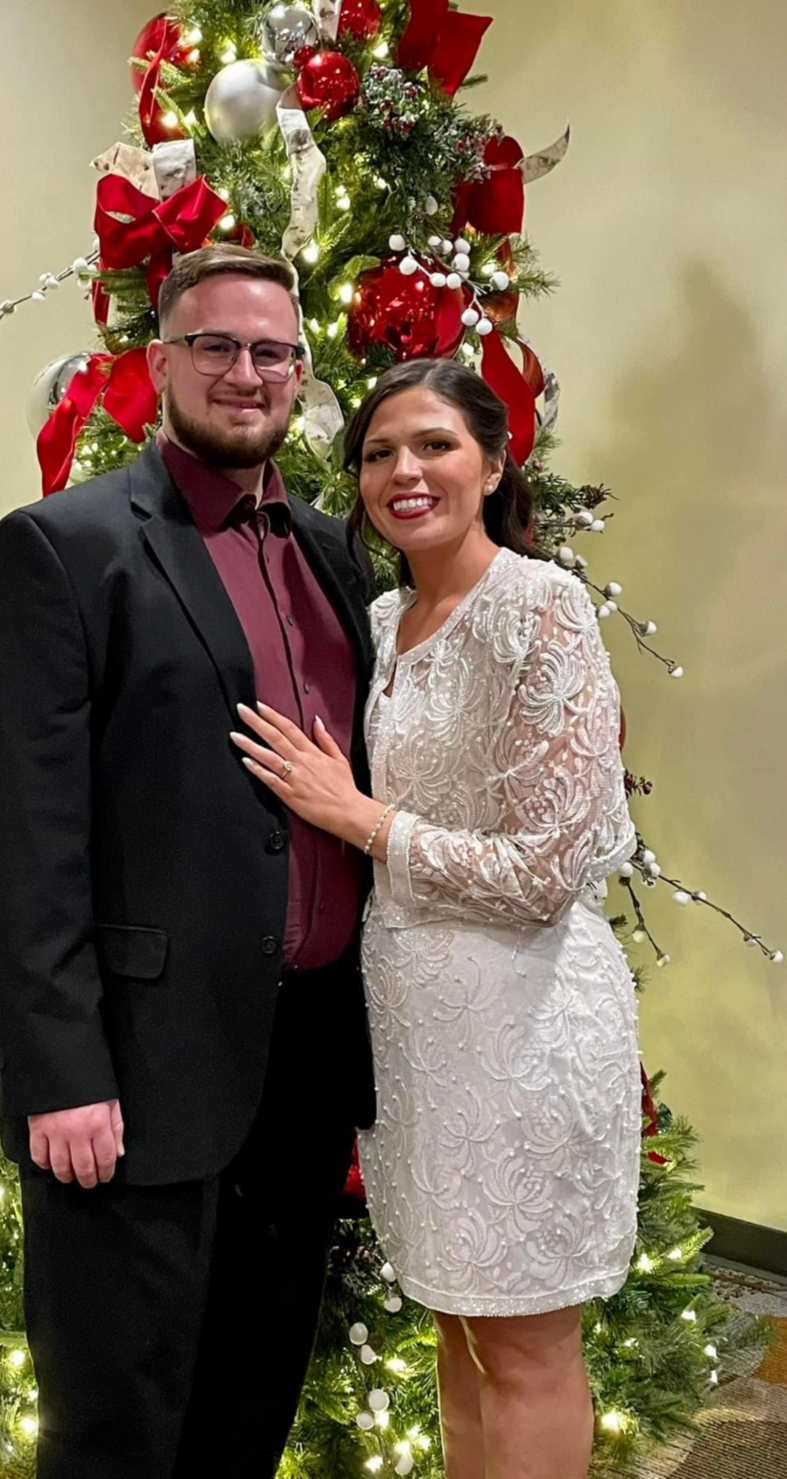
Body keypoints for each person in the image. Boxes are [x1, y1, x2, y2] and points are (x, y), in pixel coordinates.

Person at [0, 244, 375, 1479]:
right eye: (215, 345)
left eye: (273, 351)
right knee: (116, 1429)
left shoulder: (332, 551)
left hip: (304, 1064)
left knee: (248, 1405)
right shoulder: (67, 545)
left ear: (301, 376)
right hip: (137, 1078)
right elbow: (27, 829)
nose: (245, 373)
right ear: (160, 362)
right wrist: (58, 1071)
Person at [231, 357, 642, 1479]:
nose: (402, 471)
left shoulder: (540, 605)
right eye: (377, 452)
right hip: (418, 1038)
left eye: (434, 445)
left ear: (495, 462)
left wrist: (359, 820)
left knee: (524, 1344)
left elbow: (548, 867)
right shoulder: (382, 616)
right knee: (460, 1329)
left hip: (526, 1026)